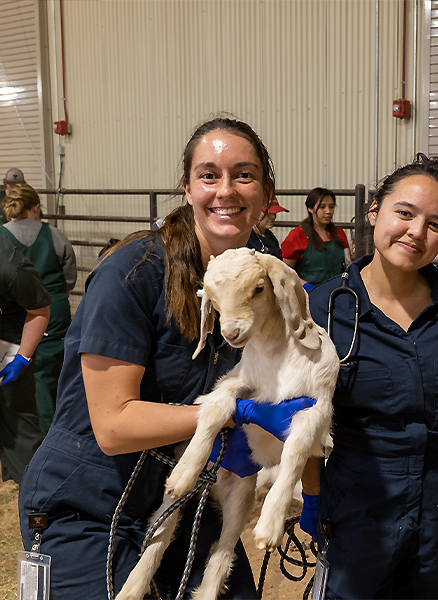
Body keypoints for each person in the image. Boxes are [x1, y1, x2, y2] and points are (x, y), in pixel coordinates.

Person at [18, 117, 315, 598]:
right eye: (209, 175)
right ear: (187, 187)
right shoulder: (132, 274)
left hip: (183, 497)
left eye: (243, 175)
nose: (226, 190)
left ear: (266, 191)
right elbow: (114, 426)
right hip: (89, 501)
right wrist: (233, 413)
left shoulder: (263, 271)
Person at [298, 154, 438, 599]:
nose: (417, 232)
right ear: (374, 212)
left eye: (436, 224)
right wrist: (312, 493)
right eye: (404, 213)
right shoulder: (325, 308)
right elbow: (306, 411)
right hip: (356, 499)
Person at [1, 183, 77, 435]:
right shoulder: (55, 235)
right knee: (64, 375)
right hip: (56, 312)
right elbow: (69, 277)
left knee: (38, 383)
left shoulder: (3, 237)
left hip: (24, 319)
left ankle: (46, 441)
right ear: (36, 208)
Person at [0, 236, 50, 484]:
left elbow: (39, 311)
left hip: (10, 330)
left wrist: (22, 357)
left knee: (17, 415)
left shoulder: (9, 266)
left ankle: (31, 486)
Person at [281, 187, 350, 285]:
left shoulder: (339, 233)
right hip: (308, 294)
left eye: (331, 207)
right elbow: (285, 271)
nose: (328, 211)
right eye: (322, 207)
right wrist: (306, 286)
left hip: (336, 291)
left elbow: (348, 263)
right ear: (310, 209)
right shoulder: (297, 235)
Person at [247, 193, 287, 258]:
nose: (273, 217)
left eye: (275, 213)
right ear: (254, 211)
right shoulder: (246, 239)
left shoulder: (271, 238)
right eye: (268, 213)